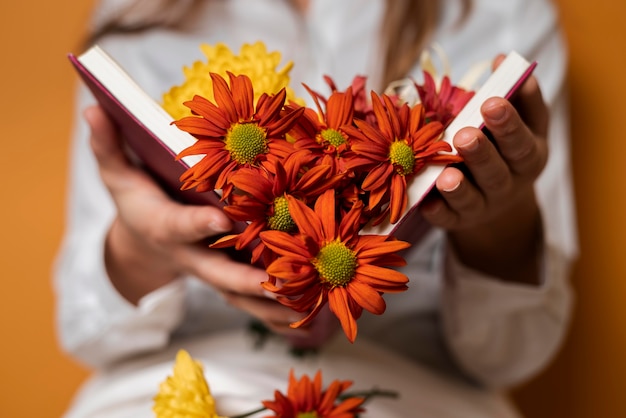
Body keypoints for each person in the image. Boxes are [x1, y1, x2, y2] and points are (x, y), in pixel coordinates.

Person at [54, 0, 578, 416]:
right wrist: (143, 247)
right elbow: (85, 329)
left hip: (409, 390)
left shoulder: (503, 14)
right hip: (183, 378)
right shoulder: (139, 15)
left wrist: (499, 222)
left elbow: (511, 355)